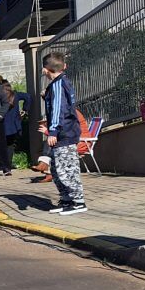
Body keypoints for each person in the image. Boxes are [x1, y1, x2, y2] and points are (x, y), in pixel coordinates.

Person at [39, 52, 86, 215]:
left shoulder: (58, 84)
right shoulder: (57, 84)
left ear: (46, 70)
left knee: (67, 168)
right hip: (63, 133)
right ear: (64, 66)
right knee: (57, 169)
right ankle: (66, 199)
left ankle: (78, 201)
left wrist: (52, 131)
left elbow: (59, 109)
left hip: (64, 134)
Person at [2, 81, 32, 176]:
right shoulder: (16, 95)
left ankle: (3, 165)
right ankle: (8, 166)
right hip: (14, 126)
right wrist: (25, 110)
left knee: (1, 146)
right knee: (10, 146)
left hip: (1, 125)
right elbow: (28, 96)